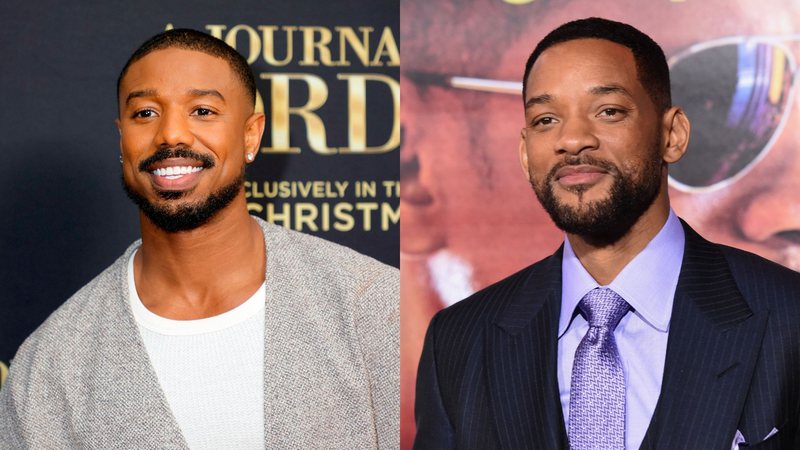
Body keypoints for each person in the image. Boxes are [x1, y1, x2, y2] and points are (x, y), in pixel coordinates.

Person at [0, 29, 399, 449]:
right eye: (145, 114)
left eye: (203, 110)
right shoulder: (50, 366)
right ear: (122, 138)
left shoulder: (370, 307)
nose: (172, 134)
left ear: (250, 135)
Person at [413, 18, 800, 449]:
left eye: (608, 112)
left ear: (672, 135)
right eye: (546, 119)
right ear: (525, 154)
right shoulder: (460, 340)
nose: (573, 139)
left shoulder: (789, 318)